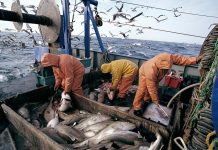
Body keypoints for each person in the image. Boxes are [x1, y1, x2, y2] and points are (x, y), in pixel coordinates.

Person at [133, 52, 203, 116]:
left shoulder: (169, 57)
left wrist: (196, 60)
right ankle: (136, 108)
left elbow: (181, 59)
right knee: (142, 89)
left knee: (154, 88)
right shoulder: (150, 70)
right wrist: (155, 100)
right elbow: (151, 87)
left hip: (157, 75)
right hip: (145, 72)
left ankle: (146, 100)